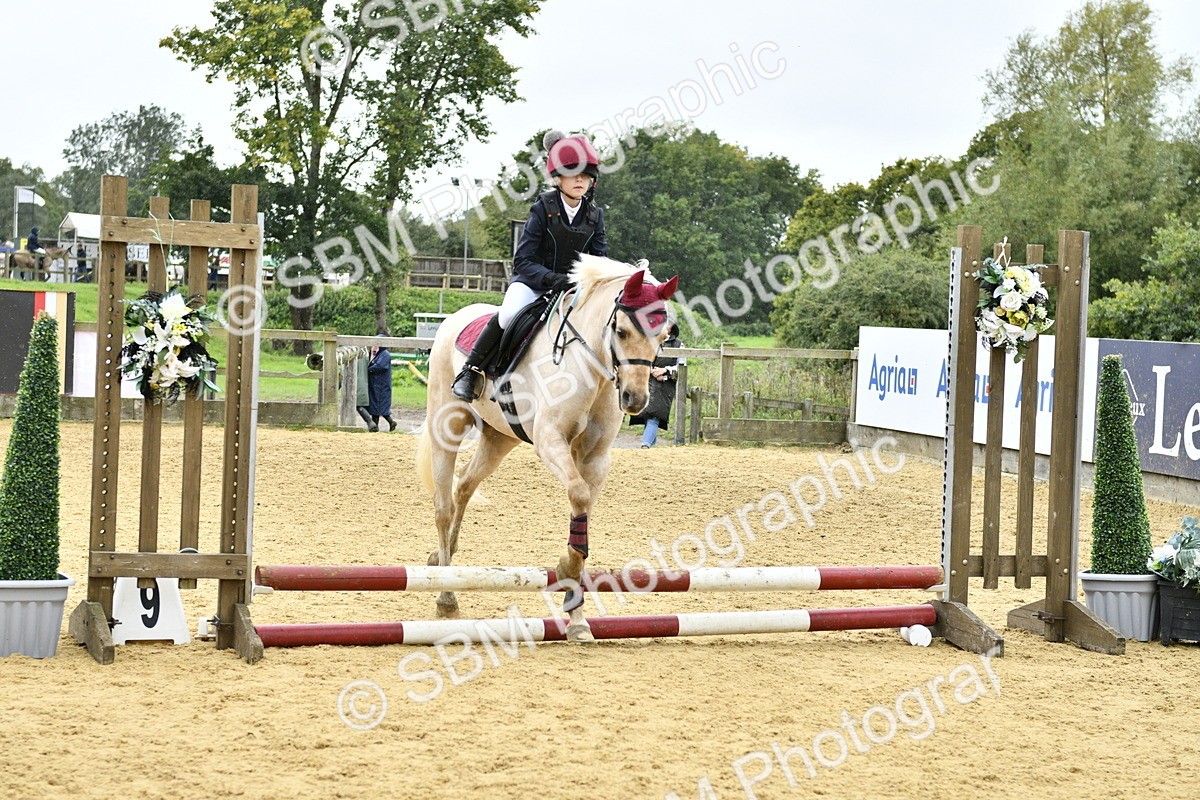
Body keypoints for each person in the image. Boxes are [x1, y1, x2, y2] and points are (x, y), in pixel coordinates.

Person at [451, 130, 607, 400]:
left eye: (586, 173)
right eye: (572, 172)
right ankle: (471, 369)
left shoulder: (595, 215)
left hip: (573, 290)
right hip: (534, 283)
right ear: (558, 178)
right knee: (509, 315)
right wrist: (551, 279)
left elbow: (599, 261)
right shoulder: (543, 208)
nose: (580, 179)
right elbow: (523, 260)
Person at [629, 322, 685, 448]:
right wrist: (652, 370)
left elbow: (682, 365)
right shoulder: (649, 341)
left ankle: (645, 445)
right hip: (647, 381)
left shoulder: (678, 344)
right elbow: (640, 359)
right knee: (646, 415)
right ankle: (649, 446)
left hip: (665, 384)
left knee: (655, 415)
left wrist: (665, 371)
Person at [367, 334, 398, 432]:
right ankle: (389, 423)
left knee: (378, 407)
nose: (375, 347)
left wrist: (368, 370)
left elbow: (380, 366)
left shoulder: (385, 354)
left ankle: (375, 427)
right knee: (377, 407)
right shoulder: (376, 354)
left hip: (381, 386)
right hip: (376, 385)